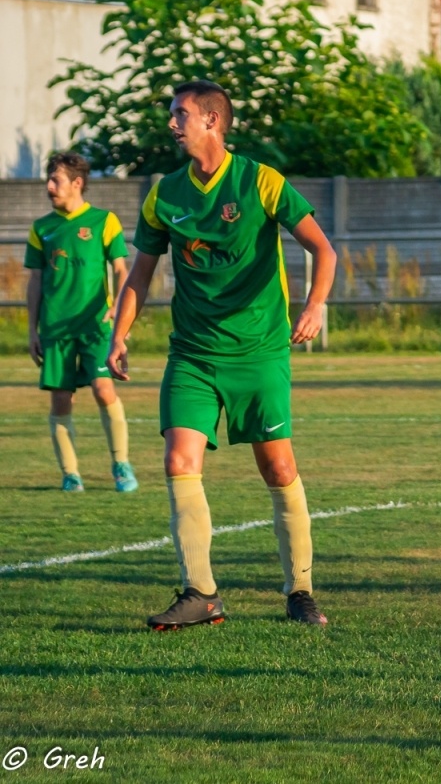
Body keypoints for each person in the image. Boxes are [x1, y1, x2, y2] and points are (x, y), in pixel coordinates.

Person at [109, 80, 338, 629]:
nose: (172, 123)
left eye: (180, 114)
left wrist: (314, 306)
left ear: (212, 121)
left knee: (277, 466)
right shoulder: (165, 193)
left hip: (259, 351)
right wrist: (119, 333)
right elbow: (141, 271)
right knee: (177, 461)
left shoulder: (260, 181)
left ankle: (300, 591)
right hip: (191, 353)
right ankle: (201, 592)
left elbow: (323, 249)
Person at [24, 151, 136, 493]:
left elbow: (121, 269)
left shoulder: (105, 221)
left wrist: (118, 310)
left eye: (55, 180)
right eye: (49, 178)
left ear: (77, 183)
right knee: (61, 400)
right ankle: (70, 473)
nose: (49, 186)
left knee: (104, 390)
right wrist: (32, 329)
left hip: (95, 326)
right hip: (56, 329)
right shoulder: (41, 228)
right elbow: (36, 281)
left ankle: (121, 465)